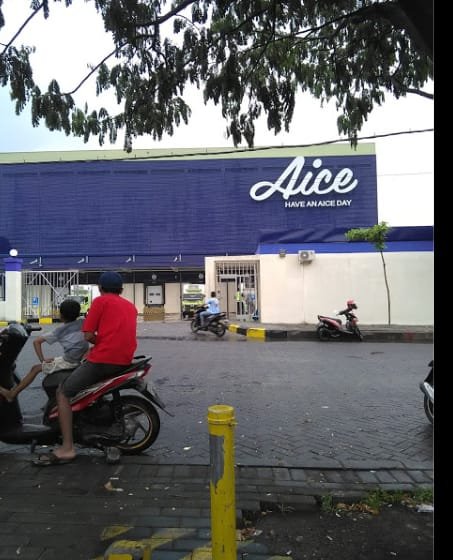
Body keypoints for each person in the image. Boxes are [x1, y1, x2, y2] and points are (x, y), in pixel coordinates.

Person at [33, 271, 138, 466]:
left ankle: (67, 448)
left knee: (63, 392)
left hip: (103, 360)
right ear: (121, 290)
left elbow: (88, 335)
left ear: (100, 289)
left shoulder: (100, 302)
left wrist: (101, 343)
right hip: (124, 359)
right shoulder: (130, 306)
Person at [0, 299, 88, 402]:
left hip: (70, 362)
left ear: (61, 315)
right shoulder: (82, 322)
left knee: (35, 368)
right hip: (79, 358)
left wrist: (43, 360)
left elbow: (36, 342)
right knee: (52, 360)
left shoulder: (59, 331)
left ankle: (11, 394)